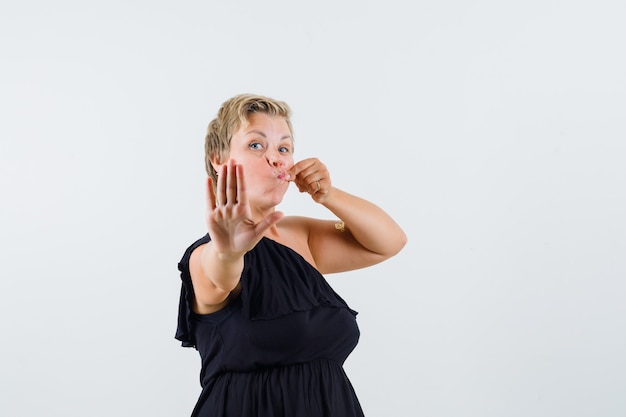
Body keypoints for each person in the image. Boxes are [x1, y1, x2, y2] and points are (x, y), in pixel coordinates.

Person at [176, 93, 407, 417]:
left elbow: (390, 241)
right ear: (219, 158)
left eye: (284, 148)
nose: (276, 158)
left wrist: (328, 194)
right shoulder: (206, 254)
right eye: (256, 145)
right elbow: (219, 272)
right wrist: (229, 252)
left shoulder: (300, 236)